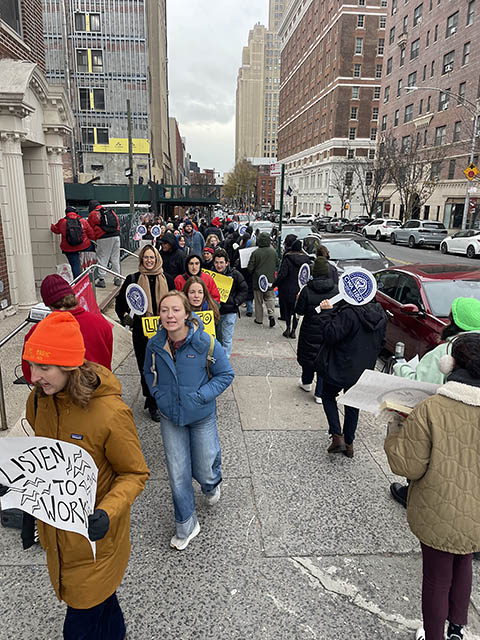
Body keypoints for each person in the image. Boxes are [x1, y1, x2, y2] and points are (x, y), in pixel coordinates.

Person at [18, 311, 148, 638]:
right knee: (101, 603)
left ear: (68, 365)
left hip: (96, 541)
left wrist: (107, 511)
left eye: (43, 367)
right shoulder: (39, 401)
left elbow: (134, 472)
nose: (34, 377)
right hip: (59, 535)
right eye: (31, 366)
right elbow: (42, 458)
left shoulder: (110, 413)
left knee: (80, 621)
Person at [384, 332, 480, 640]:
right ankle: (457, 629)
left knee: (437, 578)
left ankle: (435, 634)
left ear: (449, 365)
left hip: (437, 510)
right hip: (477, 515)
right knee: (464, 561)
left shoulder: (431, 408)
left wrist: (396, 426)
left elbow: (408, 466)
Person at [144, 291, 233, 549]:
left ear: (186, 314)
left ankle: (211, 485)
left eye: (175, 310)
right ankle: (186, 524)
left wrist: (201, 396)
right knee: (177, 472)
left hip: (201, 415)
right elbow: (148, 371)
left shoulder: (205, 342)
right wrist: (158, 395)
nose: (169, 315)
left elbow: (225, 374)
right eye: (164, 310)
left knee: (205, 467)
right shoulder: (154, 344)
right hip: (170, 416)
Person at [390, 296, 480, 508]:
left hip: (443, 417)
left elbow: (420, 384)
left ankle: (412, 493)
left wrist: (401, 365)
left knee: (428, 456)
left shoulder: (446, 351)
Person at [317, 295, 387, 457]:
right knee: (353, 403)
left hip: (339, 365)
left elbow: (330, 335)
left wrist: (326, 313)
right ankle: (349, 443)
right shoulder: (381, 314)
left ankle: (337, 436)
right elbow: (382, 343)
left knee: (328, 395)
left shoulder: (349, 313)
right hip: (362, 369)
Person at [115, 245, 172, 422]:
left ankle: (163, 396)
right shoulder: (132, 280)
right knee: (146, 367)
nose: (149, 261)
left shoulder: (167, 279)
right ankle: (151, 401)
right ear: (141, 259)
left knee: (163, 365)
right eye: (146, 257)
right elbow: (120, 304)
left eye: (152, 257)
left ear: (157, 259)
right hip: (141, 332)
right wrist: (125, 317)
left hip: (164, 331)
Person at [21, 274, 113, 383]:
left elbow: (29, 373)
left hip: (61, 390)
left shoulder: (38, 330)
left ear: (49, 305)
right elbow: (107, 361)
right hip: (100, 385)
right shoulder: (102, 323)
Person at [295, 257, 338, 404]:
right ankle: (320, 393)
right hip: (328, 329)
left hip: (309, 330)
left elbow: (299, 311)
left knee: (308, 357)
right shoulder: (336, 290)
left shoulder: (306, 290)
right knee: (324, 360)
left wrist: (298, 299)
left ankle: (306, 382)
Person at [213, 249, 248, 358]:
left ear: (227, 263)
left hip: (229, 311)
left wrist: (236, 302)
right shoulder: (210, 275)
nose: (219, 265)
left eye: (221, 262)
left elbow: (244, 289)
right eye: (216, 262)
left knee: (226, 339)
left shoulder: (235, 274)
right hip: (214, 311)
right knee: (214, 338)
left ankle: (224, 360)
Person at [274, 239, 310, 338]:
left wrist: (275, 284)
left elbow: (282, 274)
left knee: (288, 310)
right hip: (300, 289)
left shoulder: (287, 259)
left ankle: (288, 328)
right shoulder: (306, 260)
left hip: (287, 288)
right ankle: (294, 330)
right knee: (296, 311)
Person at [51, 207, 95, 279]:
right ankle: (91, 275)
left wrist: (52, 226)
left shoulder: (62, 222)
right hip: (84, 247)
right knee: (92, 252)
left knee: (75, 265)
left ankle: (78, 281)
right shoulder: (83, 221)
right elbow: (91, 234)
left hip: (69, 248)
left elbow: (56, 230)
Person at [87, 200, 122, 288]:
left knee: (103, 258)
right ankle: (117, 278)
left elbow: (89, 228)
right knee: (115, 258)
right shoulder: (110, 211)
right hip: (116, 236)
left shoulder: (93, 214)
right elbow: (117, 224)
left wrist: (94, 238)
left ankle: (101, 279)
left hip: (103, 238)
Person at [247, 232, 278, 328]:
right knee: (270, 298)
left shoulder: (255, 253)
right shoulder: (273, 252)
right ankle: (271, 313)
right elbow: (277, 263)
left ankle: (259, 319)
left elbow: (250, 268)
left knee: (258, 300)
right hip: (270, 279)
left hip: (258, 279)